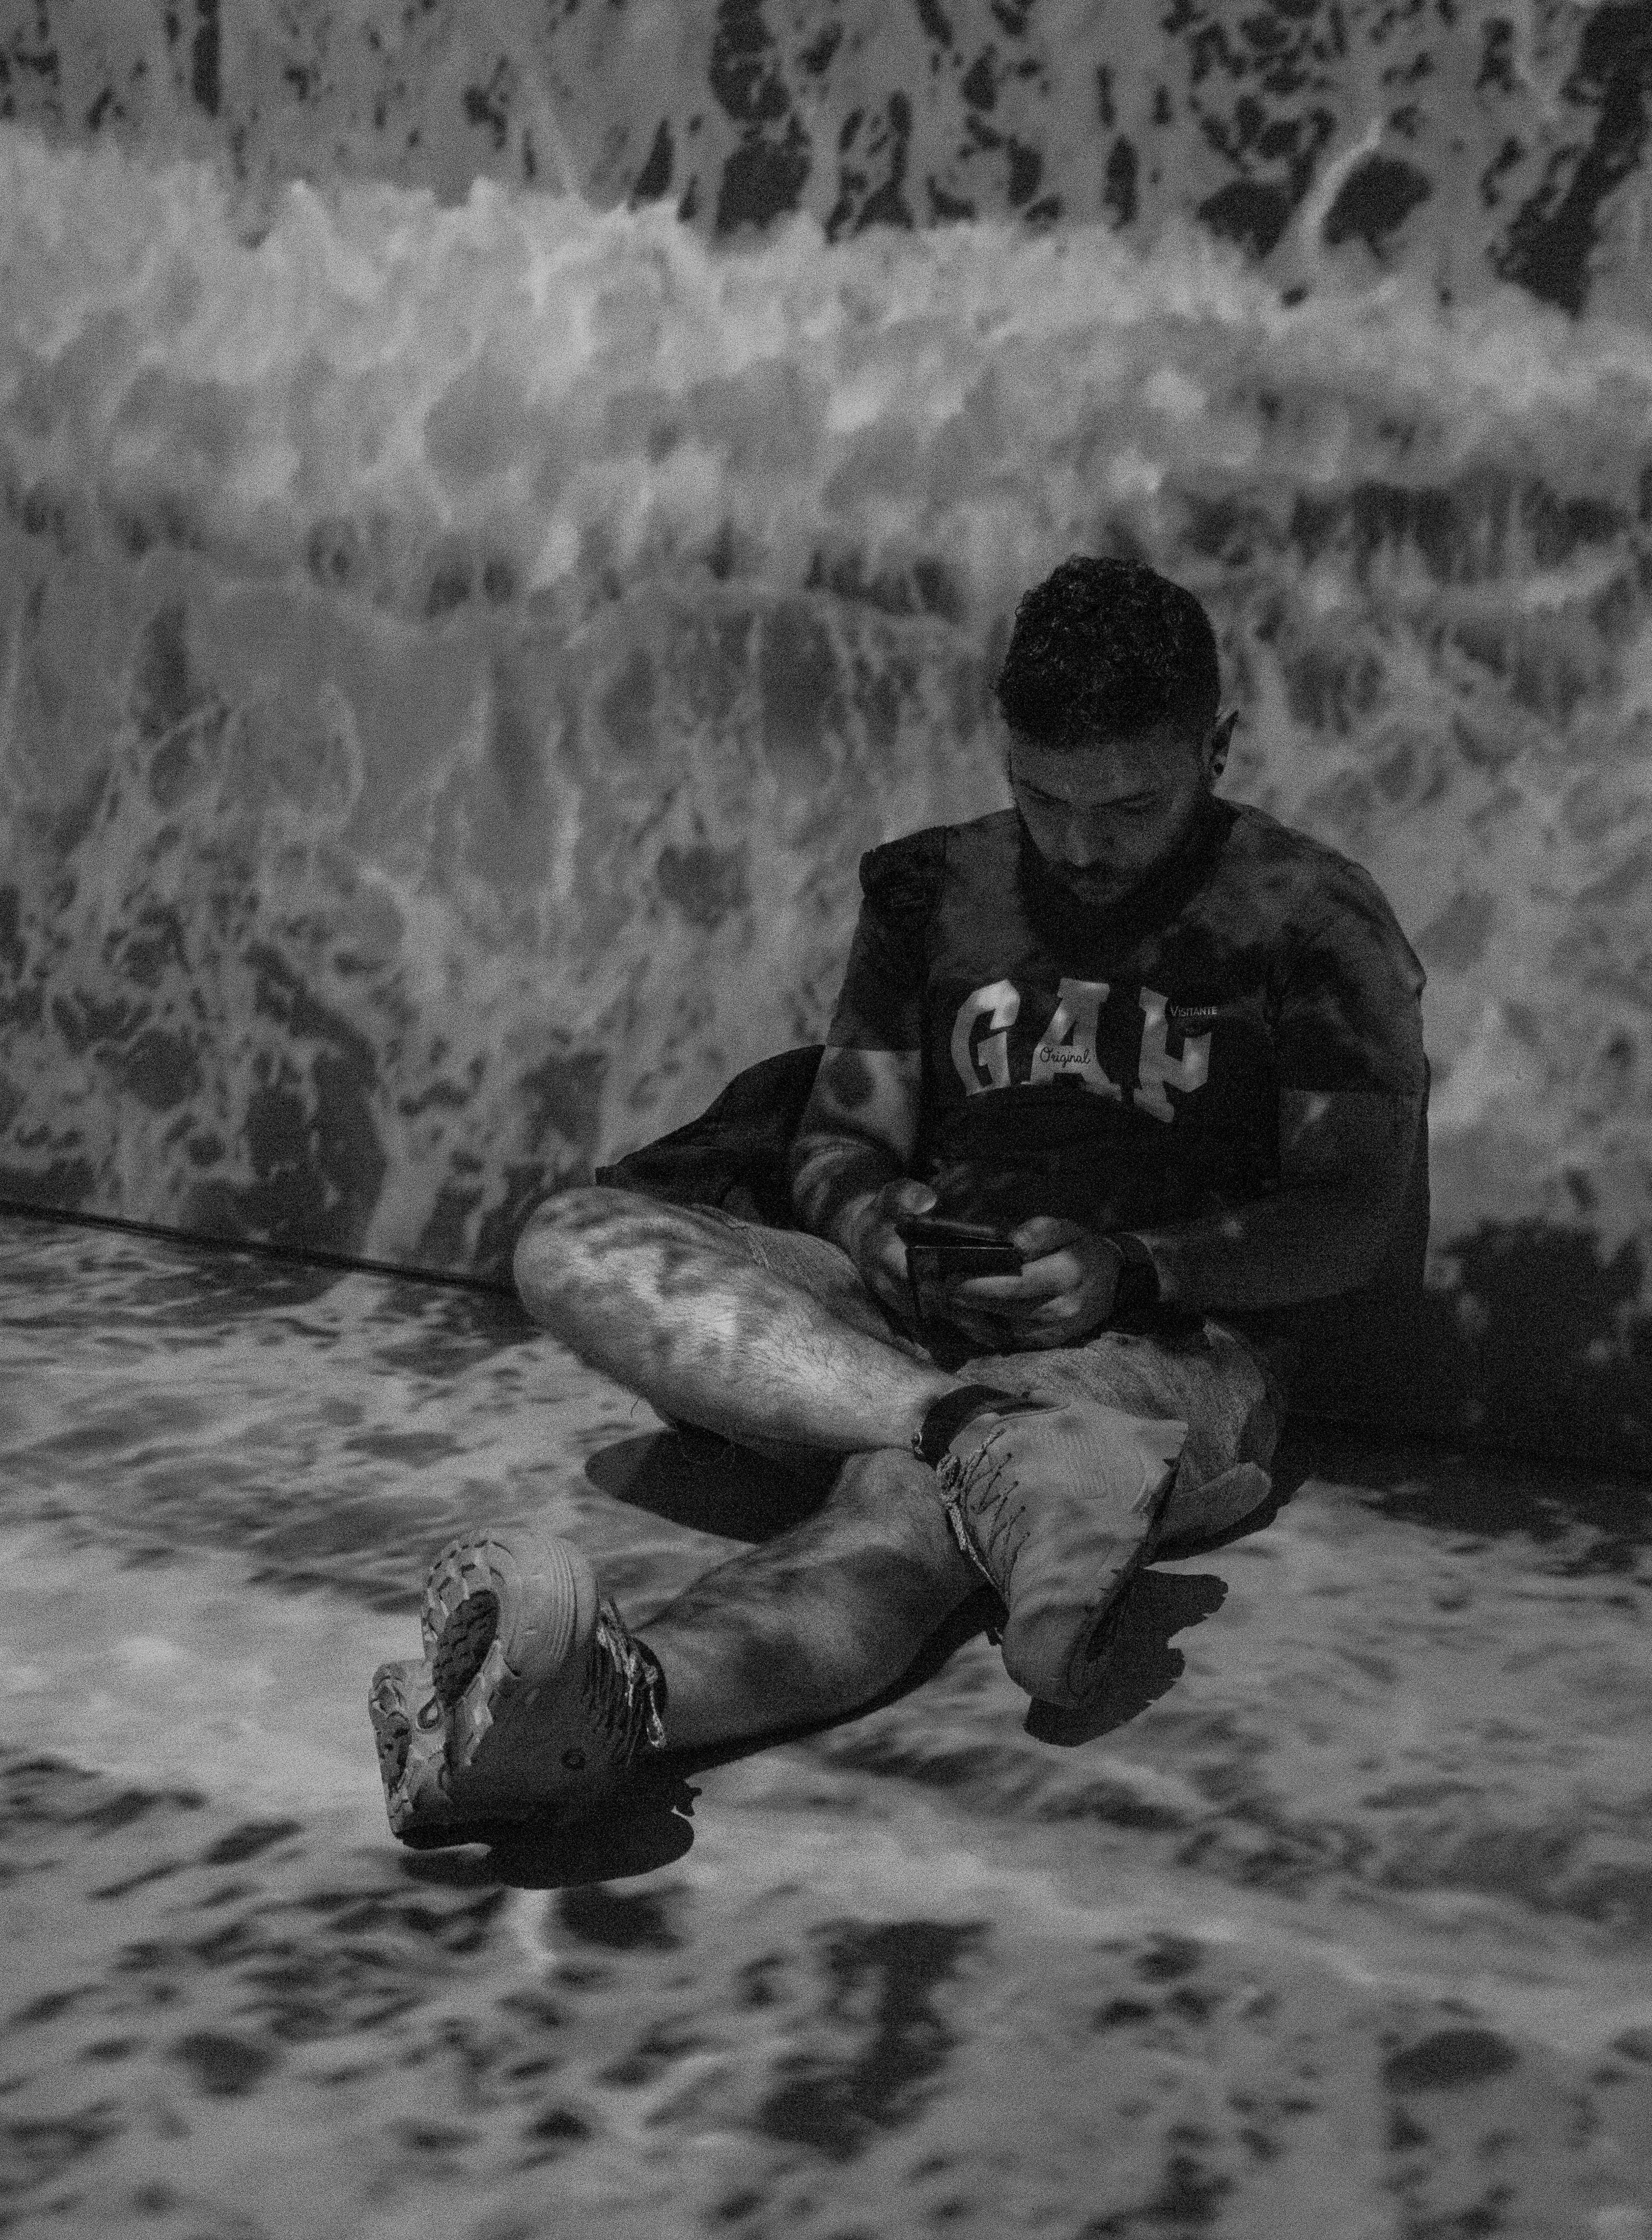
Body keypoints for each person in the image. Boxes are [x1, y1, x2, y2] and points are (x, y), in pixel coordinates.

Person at [369, 554, 1429, 1847]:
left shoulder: (1314, 923)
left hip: (1165, 1347)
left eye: (1130, 806)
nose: (1083, 845)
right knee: (573, 1243)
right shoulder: (933, 888)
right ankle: (972, 1434)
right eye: (1041, 798)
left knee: (897, 1506)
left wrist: (1129, 1269)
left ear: (1217, 747)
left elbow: (1353, 1221)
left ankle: (626, 1703)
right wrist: (884, 1231)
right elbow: (838, 1142)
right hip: (914, 1330)